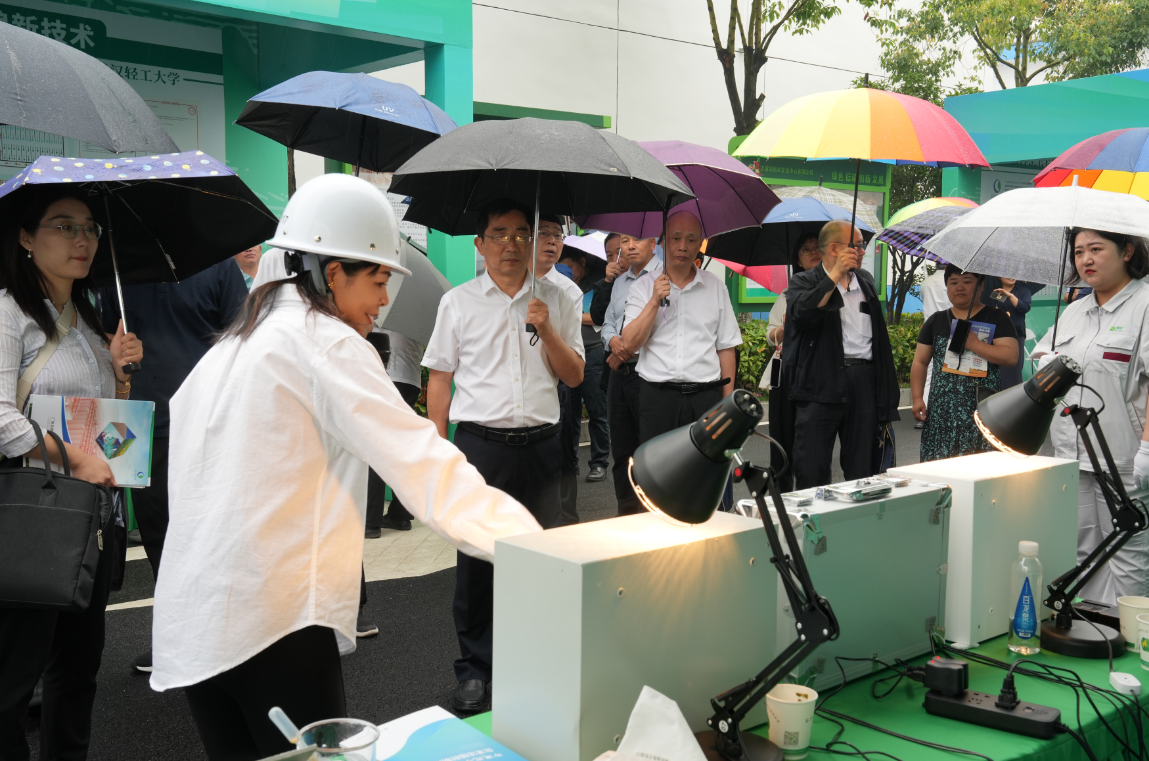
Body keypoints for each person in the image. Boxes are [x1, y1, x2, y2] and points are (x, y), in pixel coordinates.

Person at [149, 175, 542, 761]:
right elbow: (424, 464)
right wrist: (536, 550)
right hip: (274, 624)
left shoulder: (234, 344)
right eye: (379, 280)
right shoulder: (325, 343)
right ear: (333, 273)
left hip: (195, 626)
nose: (384, 301)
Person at [0, 185, 143, 761]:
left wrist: (121, 378)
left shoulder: (90, 324)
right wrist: (76, 460)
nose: (82, 240)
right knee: (12, 680)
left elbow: (104, 428)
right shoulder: (8, 312)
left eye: (89, 229)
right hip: (31, 516)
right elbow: (1, 418)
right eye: (64, 226)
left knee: (77, 669)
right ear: (26, 238)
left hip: (89, 518)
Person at [423, 199, 583, 714]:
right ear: (480, 243)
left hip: (542, 447)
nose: (511, 244)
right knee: (476, 562)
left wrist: (548, 329)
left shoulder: (557, 297)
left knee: (540, 558)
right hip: (480, 449)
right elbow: (440, 378)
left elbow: (574, 375)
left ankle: (533, 662)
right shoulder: (458, 303)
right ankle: (475, 669)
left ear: (533, 240)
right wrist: (439, 451)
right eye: (499, 234)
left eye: (521, 233)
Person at [96, 255, 249, 674]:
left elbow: (243, 339)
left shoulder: (217, 264)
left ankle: (226, 633)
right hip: (136, 424)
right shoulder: (116, 268)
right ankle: (175, 635)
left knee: (213, 531)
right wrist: (115, 349)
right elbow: (105, 334)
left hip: (206, 421)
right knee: (157, 535)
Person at [1033, 227, 1149, 605]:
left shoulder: (1144, 305)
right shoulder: (1074, 311)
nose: (1085, 259)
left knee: (1129, 555)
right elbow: (1041, 359)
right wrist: (1047, 365)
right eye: (1079, 251)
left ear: (1127, 251)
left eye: (1096, 249)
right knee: (1082, 552)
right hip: (1072, 455)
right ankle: (1095, 627)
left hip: (1124, 460)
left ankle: (1132, 635)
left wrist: (1147, 450)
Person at [784, 221, 900, 489]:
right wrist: (835, 274)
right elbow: (802, 314)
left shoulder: (865, 283)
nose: (862, 251)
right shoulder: (804, 281)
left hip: (863, 380)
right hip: (819, 382)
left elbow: (879, 341)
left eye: (862, 245)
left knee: (863, 470)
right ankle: (812, 514)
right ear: (835, 249)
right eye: (857, 245)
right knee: (811, 467)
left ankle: (858, 512)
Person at [622, 211, 741, 447]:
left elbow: (726, 346)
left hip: (706, 398)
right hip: (658, 398)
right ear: (663, 241)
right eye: (676, 238)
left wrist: (728, 402)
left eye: (691, 239)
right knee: (659, 467)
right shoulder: (643, 286)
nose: (683, 246)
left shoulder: (715, 286)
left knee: (705, 467)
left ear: (699, 243)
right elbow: (630, 344)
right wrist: (654, 300)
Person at [911, 265, 1018, 462]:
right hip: (941, 414)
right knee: (939, 468)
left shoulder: (997, 317)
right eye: (953, 282)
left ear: (981, 285)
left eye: (967, 282)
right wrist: (917, 398)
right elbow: (920, 362)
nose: (960, 287)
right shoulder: (936, 321)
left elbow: (1011, 356)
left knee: (979, 468)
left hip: (982, 412)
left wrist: (976, 344)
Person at [599, 233, 661, 515]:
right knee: (622, 450)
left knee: (649, 451)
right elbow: (608, 322)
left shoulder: (664, 277)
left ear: (653, 243)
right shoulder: (621, 281)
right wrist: (614, 342)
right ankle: (625, 512)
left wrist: (625, 349)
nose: (631, 246)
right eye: (625, 241)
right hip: (618, 374)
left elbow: (660, 329)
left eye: (638, 239)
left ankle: (652, 513)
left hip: (647, 374)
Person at [531, 215, 586, 527]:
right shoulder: (507, 283)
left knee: (563, 453)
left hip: (559, 382)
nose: (552, 240)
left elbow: (571, 349)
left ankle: (566, 520)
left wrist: (546, 328)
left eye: (557, 234)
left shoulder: (568, 292)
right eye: (544, 233)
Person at [762, 233, 821, 493]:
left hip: (816, 376)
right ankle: (780, 499)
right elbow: (770, 335)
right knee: (781, 444)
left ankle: (809, 498)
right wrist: (785, 328)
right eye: (805, 250)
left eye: (817, 248)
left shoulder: (833, 292)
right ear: (797, 259)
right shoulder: (786, 295)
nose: (813, 253)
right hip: (785, 374)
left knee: (811, 449)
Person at [558, 243, 611, 484]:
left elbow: (599, 317)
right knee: (569, 414)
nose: (567, 272)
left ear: (582, 262)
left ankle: (599, 462)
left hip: (593, 353)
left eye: (569, 267)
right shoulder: (560, 285)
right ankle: (571, 463)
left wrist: (575, 316)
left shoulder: (599, 282)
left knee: (597, 411)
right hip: (568, 354)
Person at [365, 329, 424, 535]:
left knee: (375, 448)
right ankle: (400, 515)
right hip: (411, 381)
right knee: (400, 449)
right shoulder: (418, 318)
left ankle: (370, 521)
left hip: (388, 377)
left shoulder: (381, 319)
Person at [981, 276, 1032, 388]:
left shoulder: (1023, 291)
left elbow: (1025, 308)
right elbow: (986, 309)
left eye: (1014, 273)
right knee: (996, 368)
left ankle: (1013, 395)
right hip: (996, 335)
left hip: (1016, 335)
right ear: (999, 276)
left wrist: (1010, 296)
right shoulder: (995, 291)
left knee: (1013, 369)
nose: (1011, 276)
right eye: (1008, 273)